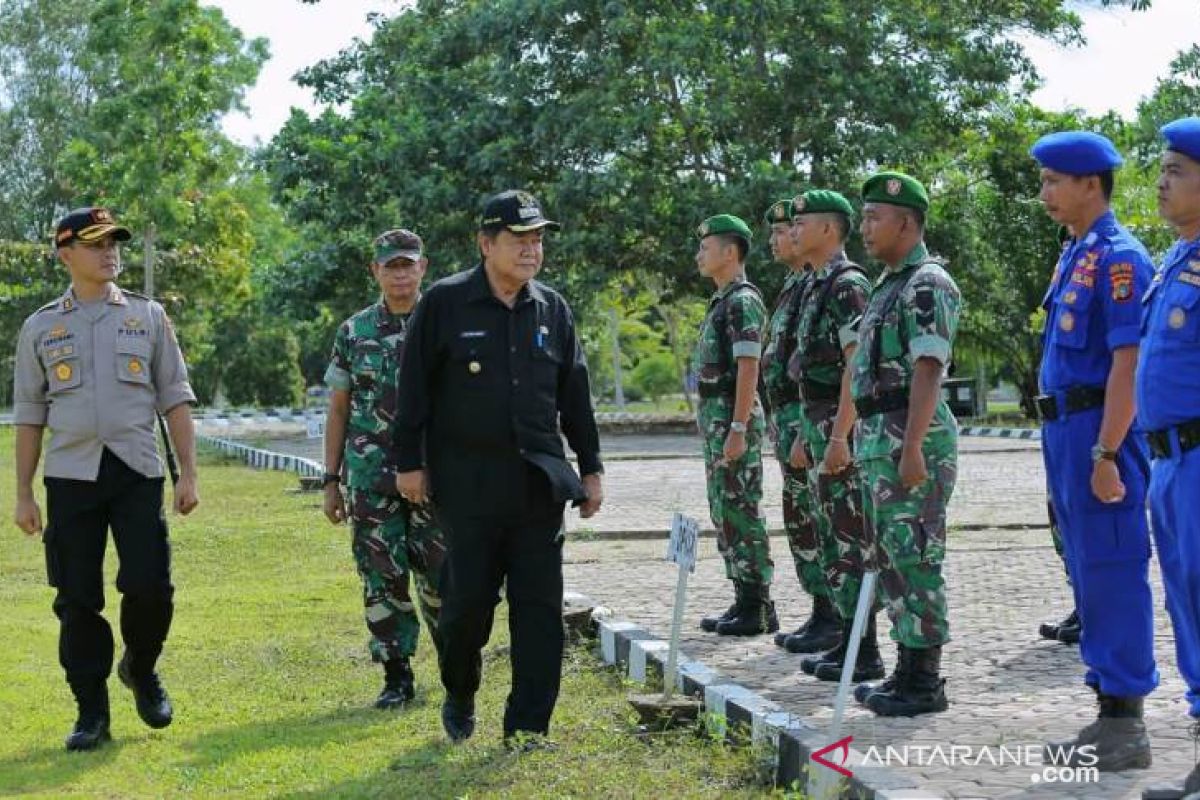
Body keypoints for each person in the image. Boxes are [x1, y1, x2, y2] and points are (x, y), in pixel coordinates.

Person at [393, 189, 603, 746]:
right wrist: (408, 464)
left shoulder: (552, 308)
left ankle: (528, 726)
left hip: (538, 485)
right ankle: (461, 691)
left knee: (539, 614)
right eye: (519, 239)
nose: (531, 250)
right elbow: (412, 388)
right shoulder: (444, 303)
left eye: (537, 239)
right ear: (486, 244)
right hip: (468, 488)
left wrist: (592, 467)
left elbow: (574, 393)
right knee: (465, 611)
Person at [12, 207, 199, 751]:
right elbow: (29, 415)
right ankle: (91, 710)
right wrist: (23, 492)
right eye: (95, 244)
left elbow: (176, 399)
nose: (109, 252)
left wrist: (188, 473)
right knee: (76, 599)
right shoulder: (41, 327)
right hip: (71, 477)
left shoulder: (148, 316)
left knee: (151, 586)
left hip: (137, 470)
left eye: (114, 242)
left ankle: (141, 667)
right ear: (66, 254)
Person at [1030, 131, 1156, 772]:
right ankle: (1107, 711)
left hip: (1097, 432)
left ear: (1089, 184)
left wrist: (1107, 452)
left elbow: (1128, 363)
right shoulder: (1075, 253)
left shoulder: (1120, 258)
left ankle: (1126, 725)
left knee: (1111, 565)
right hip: (1066, 431)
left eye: (1054, 181)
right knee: (1085, 568)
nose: (1045, 193)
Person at [849, 172, 960, 717]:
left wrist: (913, 445)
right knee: (891, 559)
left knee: (915, 557)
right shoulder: (888, 282)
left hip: (908, 436)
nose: (865, 227)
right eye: (864, 216)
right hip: (879, 436)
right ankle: (906, 670)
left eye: (874, 218)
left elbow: (928, 365)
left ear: (907, 223)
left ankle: (925, 682)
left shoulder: (926, 283)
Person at [322, 229, 446, 709]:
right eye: (390, 266)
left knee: (443, 576)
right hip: (370, 479)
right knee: (381, 577)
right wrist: (331, 482)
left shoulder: (443, 325)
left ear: (423, 268)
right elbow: (338, 410)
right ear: (375, 271)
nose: (399, 274)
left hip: (435, 476)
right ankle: (397, 675)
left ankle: (455, 665)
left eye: (407, 264)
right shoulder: (354, 332)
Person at [784, 189, 880, 682]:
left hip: (837, 426)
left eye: (802, 224)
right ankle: (849, 639)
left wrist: (840, 436)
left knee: (850, 537)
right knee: (830, 537)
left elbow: (853, 367)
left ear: (827, 230)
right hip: (817, 420)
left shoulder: (847, 285)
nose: (793, 231)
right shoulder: (816, 284)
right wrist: (807, 432)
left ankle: (864, 650)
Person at [1137, 117, 1200, 799]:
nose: (1161, 181)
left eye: (1177, 171)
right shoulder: (1176, 260)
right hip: (1168, 462)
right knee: (1184, 602)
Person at [754, 198, 838, 651]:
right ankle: (821, 609)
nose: (778, 240)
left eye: (785, 230)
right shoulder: (796, 285)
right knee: (802, 515)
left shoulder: (825, 283)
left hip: (810, 418)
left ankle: (835, 616)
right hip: (789, 416)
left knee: (822, 518)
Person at [690, 214, 775, 636]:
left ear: (729, 252)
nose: (698, 255)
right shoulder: (722, 300)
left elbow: (748, 366)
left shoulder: (743, 300)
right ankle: (744, 597)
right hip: (718, 418)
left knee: (741, 509)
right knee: (724, 508)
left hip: (732, 417)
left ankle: (757, 603)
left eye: (706, 248)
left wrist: (739, 427)